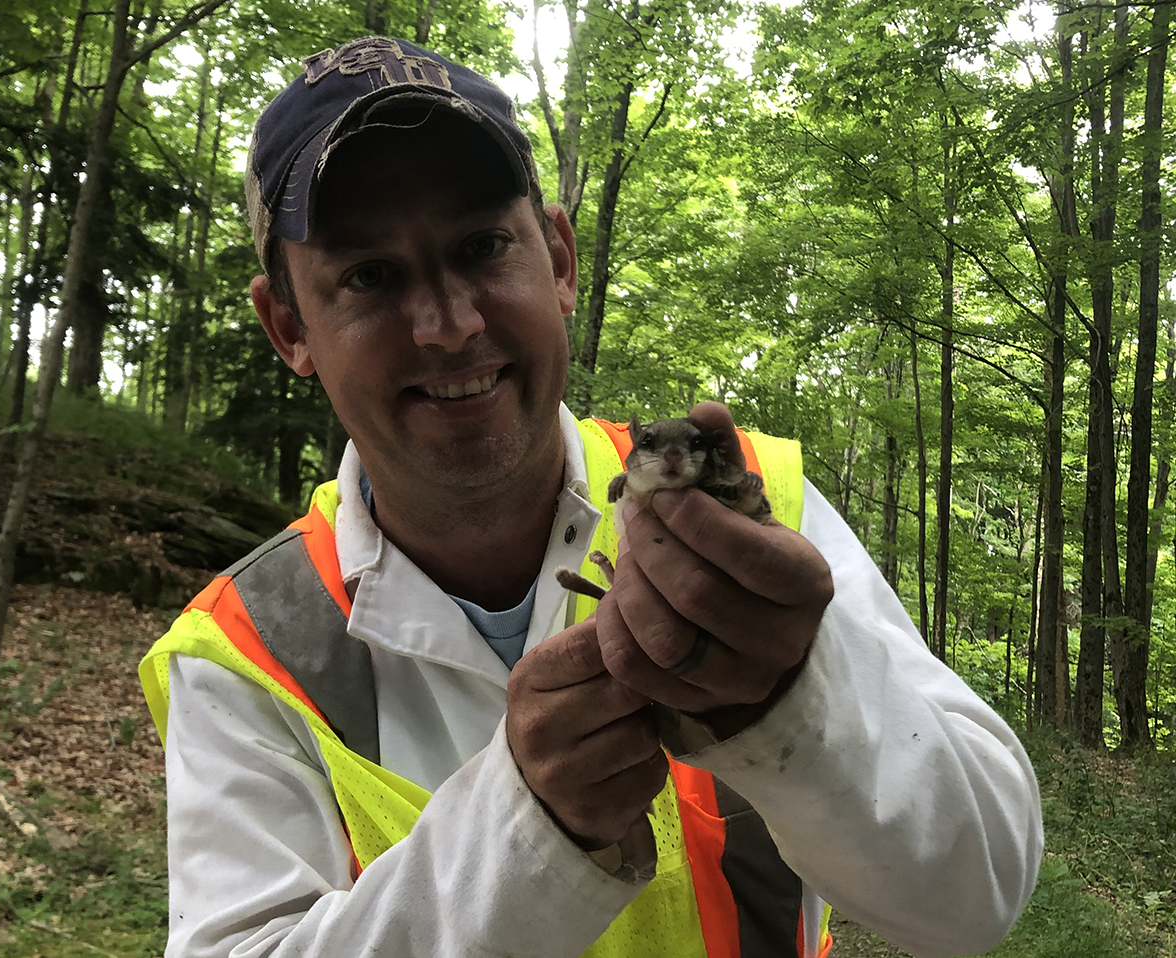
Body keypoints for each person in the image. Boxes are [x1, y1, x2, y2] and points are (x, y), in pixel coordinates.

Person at [139, 35, 1043, 958]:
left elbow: (977, 899)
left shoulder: (763, 517)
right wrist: (526, 829)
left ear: (560, 259)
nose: (449, 327)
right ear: (288, 326)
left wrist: (792, 694)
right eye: (369, 276)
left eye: (483, 246)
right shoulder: (247, 652)